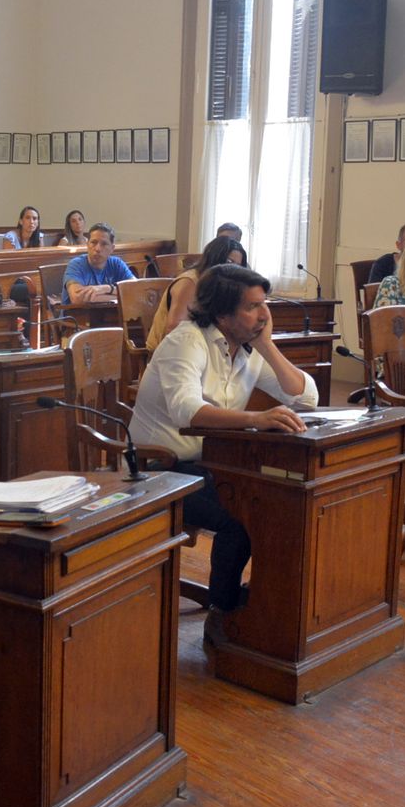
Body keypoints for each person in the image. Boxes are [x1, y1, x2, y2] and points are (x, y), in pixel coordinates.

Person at [128, 265, 316, 644]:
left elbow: (305, 396)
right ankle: (223, 611)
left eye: (265, 304)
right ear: (222, 314)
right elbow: (186, 412)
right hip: (159, 468)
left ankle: (261, 602)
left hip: (211, 463)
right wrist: (256, 419)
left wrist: (267, 346)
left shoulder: (245, 347)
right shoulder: (188, 340)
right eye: (253, 307)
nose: (264, 315)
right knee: (242, 516)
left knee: (275, 499)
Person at [146, 236, 248, 351]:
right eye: (229, 262)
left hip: (202, 349)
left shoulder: (222, 286)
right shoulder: (190, 282)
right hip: (172, 353)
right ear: (215, 258)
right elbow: (174, 329)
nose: (233, 269)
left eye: (237, 266)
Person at [64, 223, 135, 303]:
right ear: (87, 245)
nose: (97, 249)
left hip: (109, 314)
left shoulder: (117, 264)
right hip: (76, 314)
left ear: (112, 248)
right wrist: (122, 296)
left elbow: (136, 290)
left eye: (104, 244)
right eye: (93, 242)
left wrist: (106, 288)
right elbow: (77, 298)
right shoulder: (76, 264)